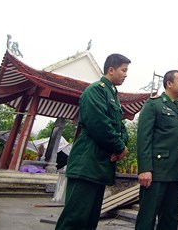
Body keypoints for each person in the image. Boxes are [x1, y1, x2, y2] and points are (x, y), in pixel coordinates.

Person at [55, 53, 130, 230]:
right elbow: (99, 124)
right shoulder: (95, 91)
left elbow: (122, 128)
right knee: (75, 220)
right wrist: (119, 146)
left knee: (89, 221)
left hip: (99, 166)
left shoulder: (112, 95)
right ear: (111, 70)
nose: (126, 74)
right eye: (123, 70)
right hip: (86, 165)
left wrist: (122, 146)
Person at [135, 70, 178, 230]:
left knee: (170, 218)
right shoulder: (154, 104)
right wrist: (145, 169)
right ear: (169, 83)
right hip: (156, 172)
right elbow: (144, 138)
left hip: (176, 173)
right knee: (147, 216)